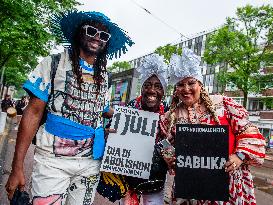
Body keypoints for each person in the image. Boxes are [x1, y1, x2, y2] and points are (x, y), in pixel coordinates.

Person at [5, 10, 134, 205]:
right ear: (78, 32)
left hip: (90, 164)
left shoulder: (104, 77)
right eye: (91, 30)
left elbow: (104, 109)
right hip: (52, 162)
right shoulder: (53, 64)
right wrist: (17, 167)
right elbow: (33, 112)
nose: (97, 37)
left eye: (104, 35)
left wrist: (138, 118)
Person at [159, 48, 266, 205]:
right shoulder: (171, 116)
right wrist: (171, 158)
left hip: (226, 185)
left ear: (200, 85)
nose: (186, 89)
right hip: (190, 189)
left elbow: (249, 132)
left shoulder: (223, 104)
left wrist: (239, 157)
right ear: (176, 89)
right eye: (180, 84)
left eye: (191, 83)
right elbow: (164, 142)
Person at [121, 54, 169, 205]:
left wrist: (167, 149)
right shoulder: (129, 108)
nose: (152, 91)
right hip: (129, 177)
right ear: (141, 88)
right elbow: (114, 136)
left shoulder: (169, 113)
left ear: (164, 91)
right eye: (147, 85)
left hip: (155, 177)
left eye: (158, 86)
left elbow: (172, 141)